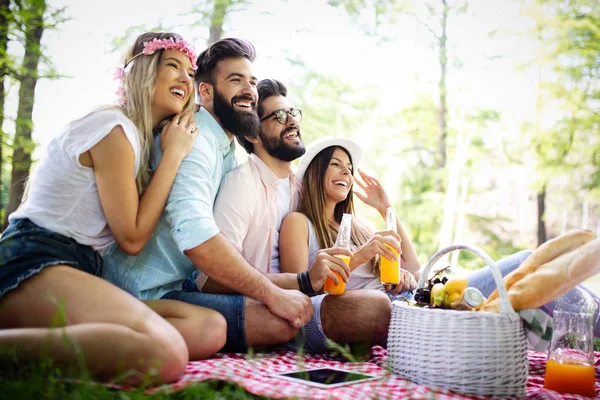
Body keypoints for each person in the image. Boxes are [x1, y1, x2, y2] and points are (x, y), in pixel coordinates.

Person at [0, 32, 227, 385]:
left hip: (81, 271)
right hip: (34, 261)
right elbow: (132, 238)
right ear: (143, 73)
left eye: (189, 71)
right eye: (173, 66)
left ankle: (62, 353)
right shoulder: (113, 128)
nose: (186, 78)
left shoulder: (135, 140)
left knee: (209, 327)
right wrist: (174, 155)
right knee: (164, 353)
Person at [102, 38, 313, 354]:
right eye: (235, 80)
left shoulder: (226, 150)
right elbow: (197, 234)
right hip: (143, 291)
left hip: (179, 288)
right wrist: (271, 294)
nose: (249, 91)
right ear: (206, 92)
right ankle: (107, 333)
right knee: (277, 321)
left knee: (279, 316)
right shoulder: (195, 139)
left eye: (252, 82)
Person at [204, 79, 392, 353]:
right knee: (374, 307)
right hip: (260, 305)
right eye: (280, 116)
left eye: (293, 114)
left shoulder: (300, 189)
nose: (292, 122)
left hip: (298, 301)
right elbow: (212, 279)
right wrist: (301, 281)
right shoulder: (241, 184)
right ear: (253, 135)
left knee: (377, 301)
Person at [279, 137, 534, 302]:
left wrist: (386, 208)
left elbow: (413, 267)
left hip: (413, 298)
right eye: (335, 164)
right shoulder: (299, 223)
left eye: (349, 167)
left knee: (524, 273)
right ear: (315, 173)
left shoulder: (357, 228)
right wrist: (361, 256)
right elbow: (299, 292)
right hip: (392, 309)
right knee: (523, 265)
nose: (346, 170)